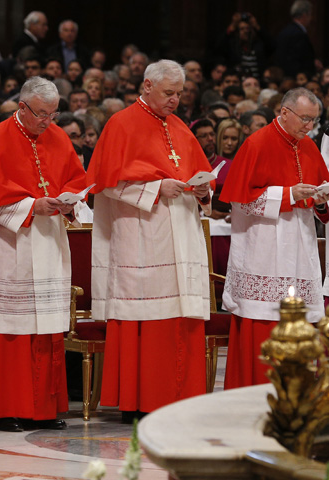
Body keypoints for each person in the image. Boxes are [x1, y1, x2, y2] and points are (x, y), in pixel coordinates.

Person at [86, 60, 211, 418]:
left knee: (178, 316)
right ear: (146, 85)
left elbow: (195, 174)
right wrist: (157, 186)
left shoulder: (180, 128)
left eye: (180, 93)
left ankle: (178, 398)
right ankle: (140, 401)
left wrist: (202, 191)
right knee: (148, 318)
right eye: (169, 92)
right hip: (142, 235)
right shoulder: (121, 123)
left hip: (180, 232)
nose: (175, 100)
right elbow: (107, 182)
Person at [0, 76, 86, 432]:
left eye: (53, 113)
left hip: (47, 242)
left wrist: (68, 201)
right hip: (7, 245)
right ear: (22, 107)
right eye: (41, 114)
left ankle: (43, 409)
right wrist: (33, 205)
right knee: (10, 329)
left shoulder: (59, 138)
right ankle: (4, 409)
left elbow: (76, 180)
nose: (47, 121)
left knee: (44, 329)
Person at [220, 87, 329, 388]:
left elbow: (318, 195)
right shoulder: (257, 144)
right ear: (284, 112)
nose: (309, 127)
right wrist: (289, 194)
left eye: (314, 121)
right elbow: (240, 200)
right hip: (263, 245)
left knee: (300, 319)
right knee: (264, 317)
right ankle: (256, 390)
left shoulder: (307, 146)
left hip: (300, 242)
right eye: (305, 119)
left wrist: (320, 199)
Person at [275, 1, 319, 79]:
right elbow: (298, 59)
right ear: (305, 15)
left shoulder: (285, 31)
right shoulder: (298, 34)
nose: (311, 18)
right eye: (310, 14)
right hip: (298, 77)